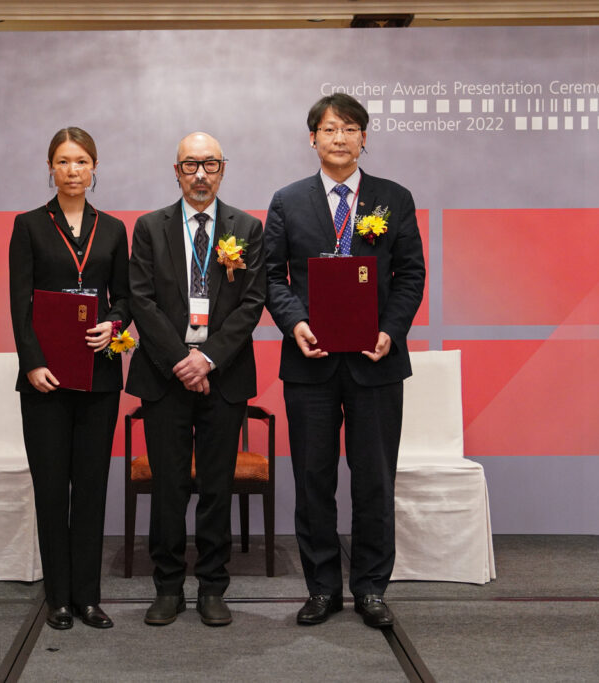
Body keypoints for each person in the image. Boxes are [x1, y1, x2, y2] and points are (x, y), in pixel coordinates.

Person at [262, 94, 425, 629]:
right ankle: (322, 588)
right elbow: (271, 277)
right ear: (313, 138)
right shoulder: (287, 201)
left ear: (364, 138)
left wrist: (389, 330)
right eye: (330, 129)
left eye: (350, 128)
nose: (339, 137)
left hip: (375, 362)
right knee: (314, 480)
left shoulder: (393, 199)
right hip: (310, 363)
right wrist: (296, 324)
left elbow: (410, 275)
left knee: (375, 479)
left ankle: (373, 588)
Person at [126, 132, 266, 627]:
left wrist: (206, 360)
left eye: (210, 164)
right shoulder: (149, 228)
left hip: (222, 376)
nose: (200, 174)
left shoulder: (248, 228)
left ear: (223, 168)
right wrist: (182, 360)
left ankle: (211, 586)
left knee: (215, 487)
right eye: (191, 165)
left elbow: (252, 304)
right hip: (165, 377)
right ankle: (166, 586)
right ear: (176, 171)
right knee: (168, 486)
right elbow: (140, 300)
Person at [8, 127, 131, 631]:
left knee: (92, 489)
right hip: (45, 380)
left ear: (94, 168)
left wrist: (115, 325)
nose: (73, 170)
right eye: (63, 161)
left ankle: (88, 597)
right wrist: (33, 362)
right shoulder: (30, 225)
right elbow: (20, 304)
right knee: (53, 490)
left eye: (81, 161)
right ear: (51, 168)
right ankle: (57, 597)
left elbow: (123, 297)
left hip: (98, 375)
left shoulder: (113, 228)